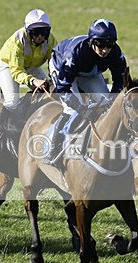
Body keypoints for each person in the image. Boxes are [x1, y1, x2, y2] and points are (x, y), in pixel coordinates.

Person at [45, 19, 127, 166]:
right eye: (100, 44)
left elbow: (120, 80)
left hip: (89, 72)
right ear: (91, 42)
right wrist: (81, 108)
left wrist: (112, 100)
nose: (105, 50)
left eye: (109, 45)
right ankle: (54, 149)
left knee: (106, 104)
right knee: (71, 110)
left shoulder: (116, 53)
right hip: (63, 68)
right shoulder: (74, 53)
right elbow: (63, 88)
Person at [0, 9, 56, 158]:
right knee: (12, 101)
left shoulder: (50, 40)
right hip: (8, 67)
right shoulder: (17, 41)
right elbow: (17, 72)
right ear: (28, 31)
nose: (40, 37)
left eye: (43, 33)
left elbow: (55, 61)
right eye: (35, 33)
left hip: (32, 66)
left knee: (50, 92)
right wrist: (33, 80)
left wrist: (54, 77)